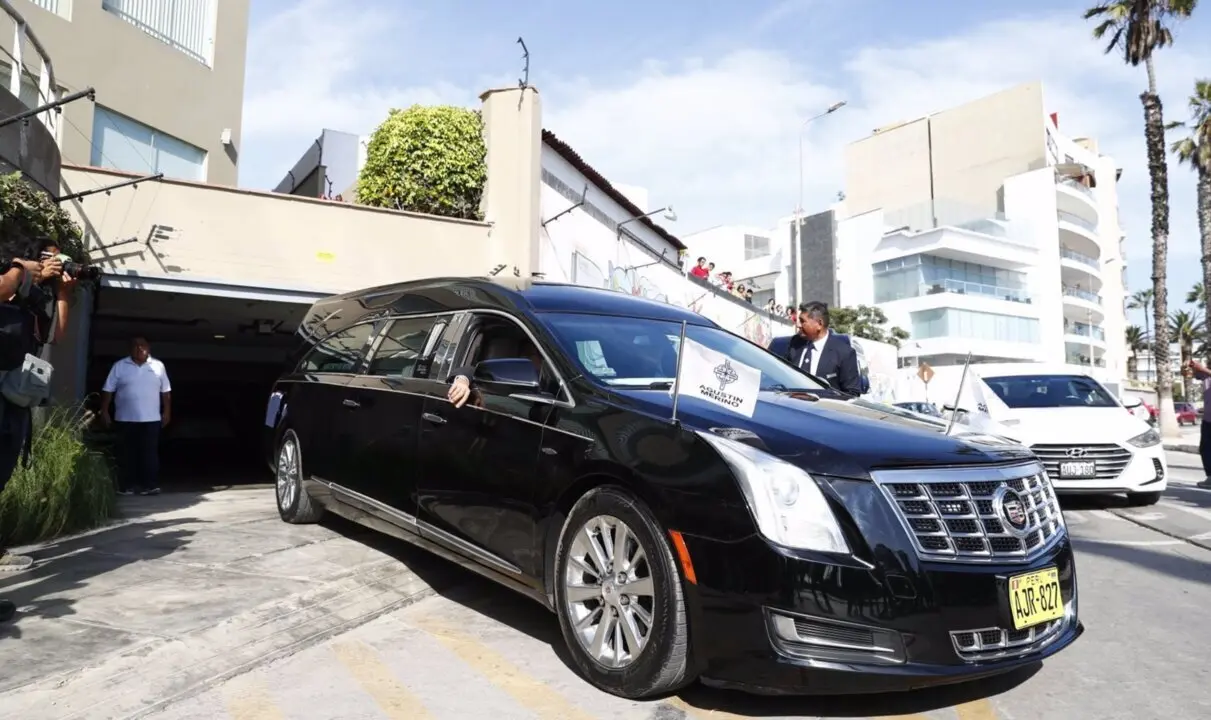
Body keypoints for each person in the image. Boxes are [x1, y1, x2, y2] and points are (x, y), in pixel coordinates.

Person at [0, 240, 78, 623]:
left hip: (14, 399)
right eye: (49, 257)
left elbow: (56, 335)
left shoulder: (38, 296)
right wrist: (20, 271)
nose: (56, 263)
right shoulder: (10, 273)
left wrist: (62, 293)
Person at [98, 337, 172, 496]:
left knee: (149, 454)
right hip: (125, 418)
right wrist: (104, 411)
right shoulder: (119, 366)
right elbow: (108, 390)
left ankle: (149, 486)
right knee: (126, 454)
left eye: (142, 345)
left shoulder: (158, 366)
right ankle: (126, 486)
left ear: (149, 347)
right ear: (129, 349)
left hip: (151, 419)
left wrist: (167, 411)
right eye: (135, 346)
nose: (139, 348)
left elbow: (166, 391)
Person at [770, 302, 862, 396]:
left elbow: (851, 394)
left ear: (819, 324)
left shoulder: (844, 353)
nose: (798, 325)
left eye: (802, 321)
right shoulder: (794, 344)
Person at [1182, 358, 1211, 489]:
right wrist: (1186, 366)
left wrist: (1203, 369)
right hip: (1208, 419)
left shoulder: (1206, 372)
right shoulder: (1206, 375)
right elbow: (1187, 375)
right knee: (1205, 448)